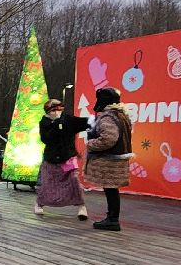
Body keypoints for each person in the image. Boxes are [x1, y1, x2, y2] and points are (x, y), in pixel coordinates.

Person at [84, 87, 134, 232]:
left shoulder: (108, 117)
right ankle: (112, 218)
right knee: (112, 189)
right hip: (117, 159)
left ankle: (112, 219)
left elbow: (109, 138)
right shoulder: (121, 115)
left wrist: (91, 144)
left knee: (111, 189)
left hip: (110, 160)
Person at [36, 98, 90, 221]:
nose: (56, 113)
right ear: (48, 112)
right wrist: (56, 125)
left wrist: (95, 120)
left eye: (59, 110)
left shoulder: (68, 120)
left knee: (74, 181)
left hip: (68, 157)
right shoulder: (44, 123)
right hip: (51, 158)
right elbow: (46, 139)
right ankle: (39, 203)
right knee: (47, 183)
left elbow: (83, 123)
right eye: (53, 111)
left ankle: (81, 207)